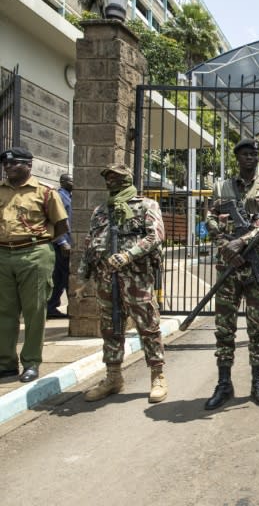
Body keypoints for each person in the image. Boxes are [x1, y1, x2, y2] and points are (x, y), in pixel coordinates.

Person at [75, 163, 168, 403]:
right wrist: (83, 278)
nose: (111, 182)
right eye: (108, 178)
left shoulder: (146, 205)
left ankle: (157, 376)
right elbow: (90, 244)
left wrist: (129, 255)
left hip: (136, 277)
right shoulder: (101, 211)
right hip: (106, 279)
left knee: (148, 326)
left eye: (116, 178)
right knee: (111, 328)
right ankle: (113, 377)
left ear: (127, 179)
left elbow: (155, 236)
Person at [203, 138, 259, 410]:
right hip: (228, 264)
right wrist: (226, 245)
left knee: (257, 327)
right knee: (224, 327)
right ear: (238, 158)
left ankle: (257, 382)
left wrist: (244, 241)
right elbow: (210, 217)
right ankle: (224, 384)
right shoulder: (221, 187)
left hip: (256, 265)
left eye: (254, 154)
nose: (250, 158)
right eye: (245, 154)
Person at [0, 147, 68, 383]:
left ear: (28, 165)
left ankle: (31, 362)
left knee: (34, 310)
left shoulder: (45, 193)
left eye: (14, 163)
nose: (8, 167)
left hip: (34, 253)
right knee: (4, 312)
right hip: (3, 255)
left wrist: (39, 241)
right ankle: (6, 364)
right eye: (5, 164)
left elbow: (61, 226)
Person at [47, 173, 74, 318]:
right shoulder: (59, 197)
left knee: (65, 277)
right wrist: (62, 242)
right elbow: (57, 221)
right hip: (61, 244)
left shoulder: (70, 196)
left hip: (69, 242)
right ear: (63, 182)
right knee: (60, 277)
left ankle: (62, 307)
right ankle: (51, 307)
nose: (74, 183)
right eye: (71, 180)